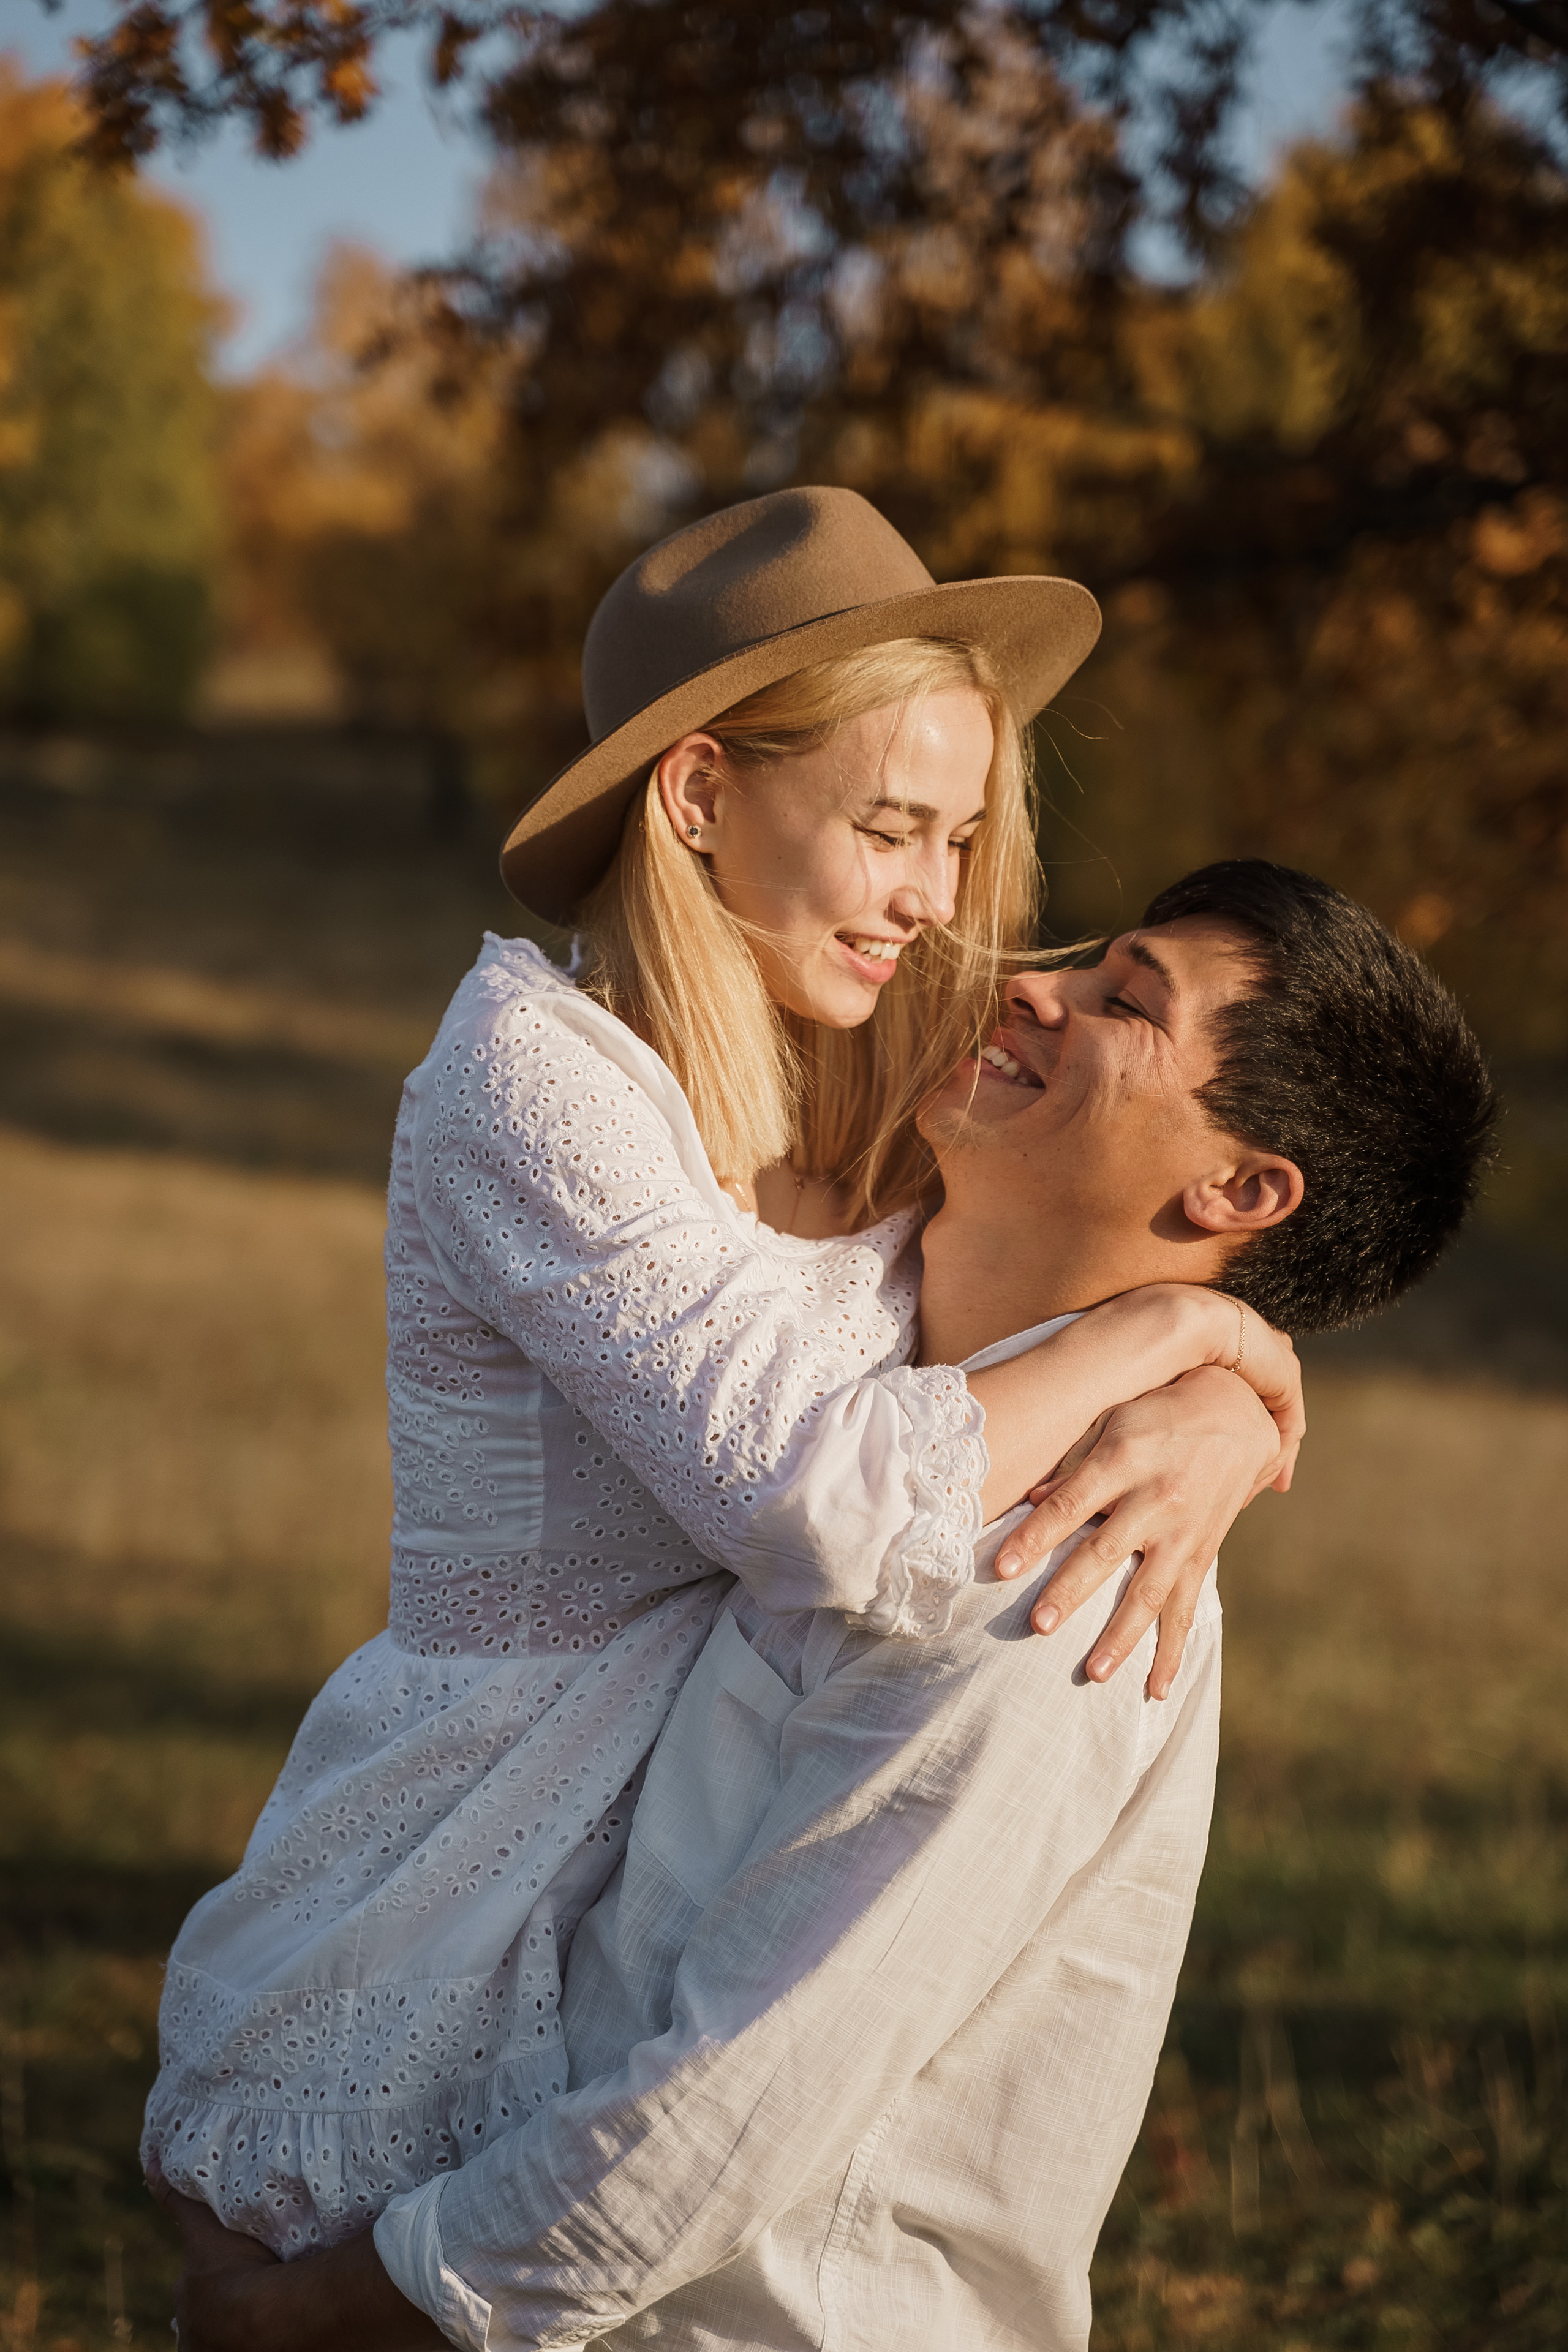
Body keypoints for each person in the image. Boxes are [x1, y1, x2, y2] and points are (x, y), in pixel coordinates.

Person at [142, 491, 1302, 2258]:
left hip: (697, 1848)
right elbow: (823, 1500)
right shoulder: (536, 1083)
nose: (935, 900)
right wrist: (1182, 1340)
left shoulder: (882, 1065)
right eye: (892, 829)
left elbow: (1091, 1250)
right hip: (471, 1864)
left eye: (960, 838)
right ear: (697, 799)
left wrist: (1233, 1391)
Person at [157, 860, 1496, 2348]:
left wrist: (300, 2324)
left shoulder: (1058, 1586)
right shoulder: (851, 1410)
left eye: (1123, 1003)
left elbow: (707, 2126)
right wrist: (1210, 1353)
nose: (1027, 986)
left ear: (1237, 1190)